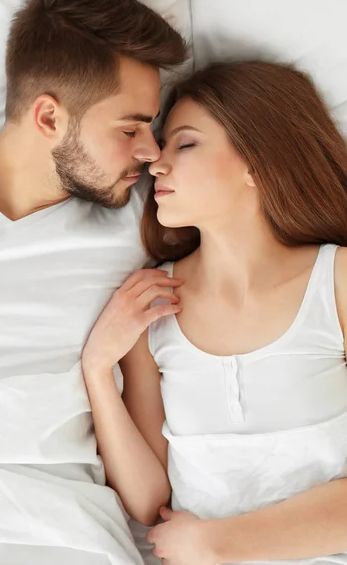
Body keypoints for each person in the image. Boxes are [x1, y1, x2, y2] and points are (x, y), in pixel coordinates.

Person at [0, 0, 186, 565]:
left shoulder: (145, 222)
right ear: (49, 117)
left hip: (67, 536)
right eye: (129, 128)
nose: (151, 153)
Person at [82, 61, 347, 565]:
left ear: (257, 162)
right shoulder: (151, 305)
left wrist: (221, 543)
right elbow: (149, 499)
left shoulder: (337, 284)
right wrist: (98, 371)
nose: (156, 164)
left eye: (184, 144)